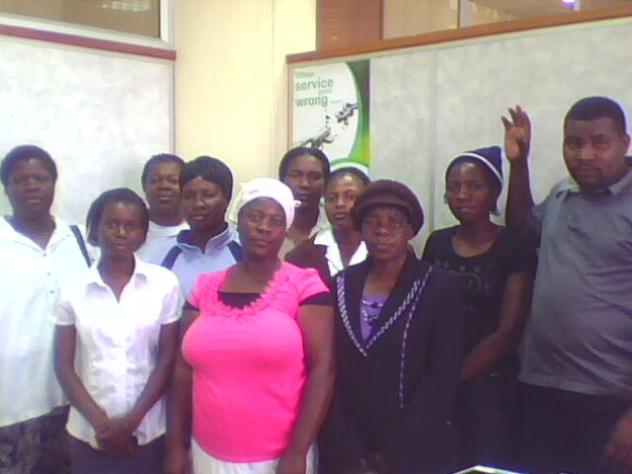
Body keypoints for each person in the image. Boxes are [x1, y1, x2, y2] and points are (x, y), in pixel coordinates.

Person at [165, 177, 335, 474]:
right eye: (255, 217)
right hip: (207, 453)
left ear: (285, 230)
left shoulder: (304, 286)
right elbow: (182, 370)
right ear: (238, 222)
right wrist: (176, 447)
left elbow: (324, 370)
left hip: (277, 458)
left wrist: (297, 452)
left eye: (275, 221)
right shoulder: (205, 287)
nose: (264, 227)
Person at [503, 97, 632, 474]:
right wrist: (519, 164)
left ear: (624, 143)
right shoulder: (562, 192)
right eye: (574, 143)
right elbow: (521, 226)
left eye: (599, 143)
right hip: (541, 386)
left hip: (610, 397)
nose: (585, 154)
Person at [321, 179, 464, 474]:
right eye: (372, 222)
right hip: (348, 449)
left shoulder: (439, 285)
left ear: (410, 231)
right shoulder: (341, 284)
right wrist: (347, 448)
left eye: (394, 222)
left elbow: (441, 375)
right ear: (360, 230)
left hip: (415, 447)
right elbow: (330, 365)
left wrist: (390, 453)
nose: (382, 230)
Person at [53, 188, 182, 474]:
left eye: (130, 225)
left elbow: (167, 358)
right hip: (88, 434)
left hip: (149, 432)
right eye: (111, 224)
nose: (121, 232)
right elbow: (63, 365)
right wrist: (102, 425)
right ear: (95, 230)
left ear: (143, 234)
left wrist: (131, 422)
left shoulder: (164, 284)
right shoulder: (72, 289)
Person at [422, 146, 535, 470]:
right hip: (438, 381)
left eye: (474, 186)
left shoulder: (514, 245)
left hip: (492, 388)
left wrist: (452, 378)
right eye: (454, 187)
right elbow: (424, 313)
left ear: (494, 192)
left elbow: (509, 332)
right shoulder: (437, 243)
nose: (463, 195)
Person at [0, 145, 91, 474]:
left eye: (40, 178)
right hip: (11, 407)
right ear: (6, 188)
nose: (31, 186)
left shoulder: (78, 239)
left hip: (74, 404)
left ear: (54, 183)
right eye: (20, 179)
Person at [162, 155, 241, 296]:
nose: (198, 204)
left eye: (208, 195)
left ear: (227, 198)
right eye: (189, 196)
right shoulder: (167, 255)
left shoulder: (245, 251)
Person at [286, 166, 370, 283]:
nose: (340, 204)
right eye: (331, 198)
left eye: (350, 197)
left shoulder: (382, 249)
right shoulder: (300, 256)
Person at [278, 146, 330, 256]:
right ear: (282, 181)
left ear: (326, 183)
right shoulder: (268, 225)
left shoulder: (333, 225)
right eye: (296, 175)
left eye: (314, 177)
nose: (304, 184)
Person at [137, 153, 188, 264]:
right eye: (155, 180)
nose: (164, 186)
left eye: (173, 181)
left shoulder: (198, 232)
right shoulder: (131, 231)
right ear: (144, 186)